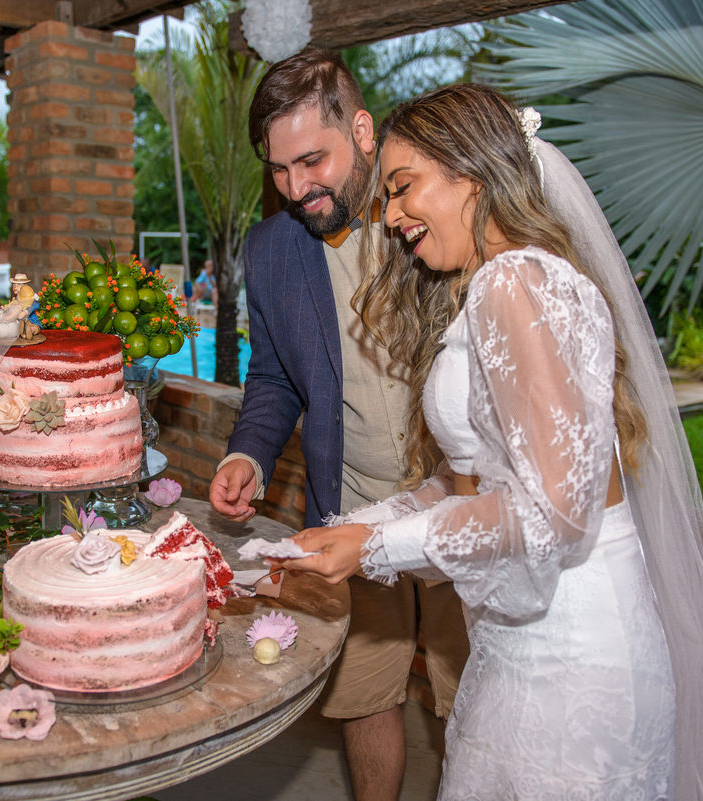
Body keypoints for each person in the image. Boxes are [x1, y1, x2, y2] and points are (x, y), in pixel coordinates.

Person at [276, 84, 703, 799]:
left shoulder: (516, 281)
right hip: (520, 644)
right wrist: (352, 530)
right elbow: (470, 479)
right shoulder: (499, 285)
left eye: (405, 187)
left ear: (471, 171)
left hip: (575, 653)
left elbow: (551, 513)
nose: (393, 213)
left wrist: (377, 550)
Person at [208, 48, 470, 801]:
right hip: (350, 510)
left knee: (474, 693)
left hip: (462, 500)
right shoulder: (269, 251)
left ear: (361, 129)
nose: (295, 188)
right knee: (366, 694)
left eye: (312, 161)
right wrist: (249, 456)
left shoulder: (427, 213)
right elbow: (274, 377)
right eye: (279, 169)